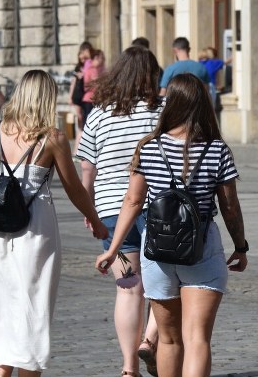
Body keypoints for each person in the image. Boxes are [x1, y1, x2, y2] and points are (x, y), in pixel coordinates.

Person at [95, 73, 249, 377]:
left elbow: (132, 201)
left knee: (167, 338)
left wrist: (113, 249)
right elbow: (230, 208)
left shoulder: (149, 146)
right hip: (201, 247)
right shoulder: (217, 150)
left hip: (157, 250)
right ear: (203, 104)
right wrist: (240, 247)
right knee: (197, 338)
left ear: (171, 104)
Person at [0, 70, 108, 377]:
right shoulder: (52, 137)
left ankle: (3, 371)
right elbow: (74, 187)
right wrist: (95, 220)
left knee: (4, 307)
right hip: (35, 228)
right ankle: (28, 371)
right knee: (34, 307)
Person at [77, 47, 164, 377]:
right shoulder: (163, 110)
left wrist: (90, 210)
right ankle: (150, 339)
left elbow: (88, 169)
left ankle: (129, 368)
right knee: (166, 283)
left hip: (112, 209)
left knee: (129, 289)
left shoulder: (98, 114)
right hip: (160, 209)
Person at [198, 46, 228, 111]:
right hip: (210, 86)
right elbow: (225, 62)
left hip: (199, 87)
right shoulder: (213, 63)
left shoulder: (197, 64)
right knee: (211, 109)